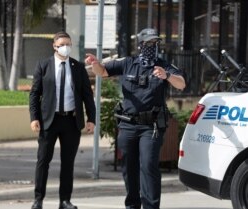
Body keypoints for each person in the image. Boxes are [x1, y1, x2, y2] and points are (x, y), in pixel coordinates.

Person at [85, 28, 185, 209]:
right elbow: (103, 72)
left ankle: (151, 206)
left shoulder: (163, 66)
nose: (152, 46)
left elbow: (181, 84)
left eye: (155, 43)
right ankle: (132, 204)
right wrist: (95, 64)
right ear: (140, 45)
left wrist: (167, 75)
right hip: (129, 125)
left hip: (151, 127)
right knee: (129, 168)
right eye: (148, 43)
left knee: (148, 166)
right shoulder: (127, 63)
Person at [29, 31, 96, 209]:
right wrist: (34, 117)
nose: (66, 47)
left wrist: (91, 119)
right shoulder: (43, 65)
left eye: (68, 44)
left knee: (68, 163)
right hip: (48, 121)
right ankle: (38, 200)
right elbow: (35, 94)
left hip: (71, 121)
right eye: (62, 44)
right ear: (54, 46)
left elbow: (87, 95)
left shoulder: (78, 67)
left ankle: (64, 201)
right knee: (43, 161)